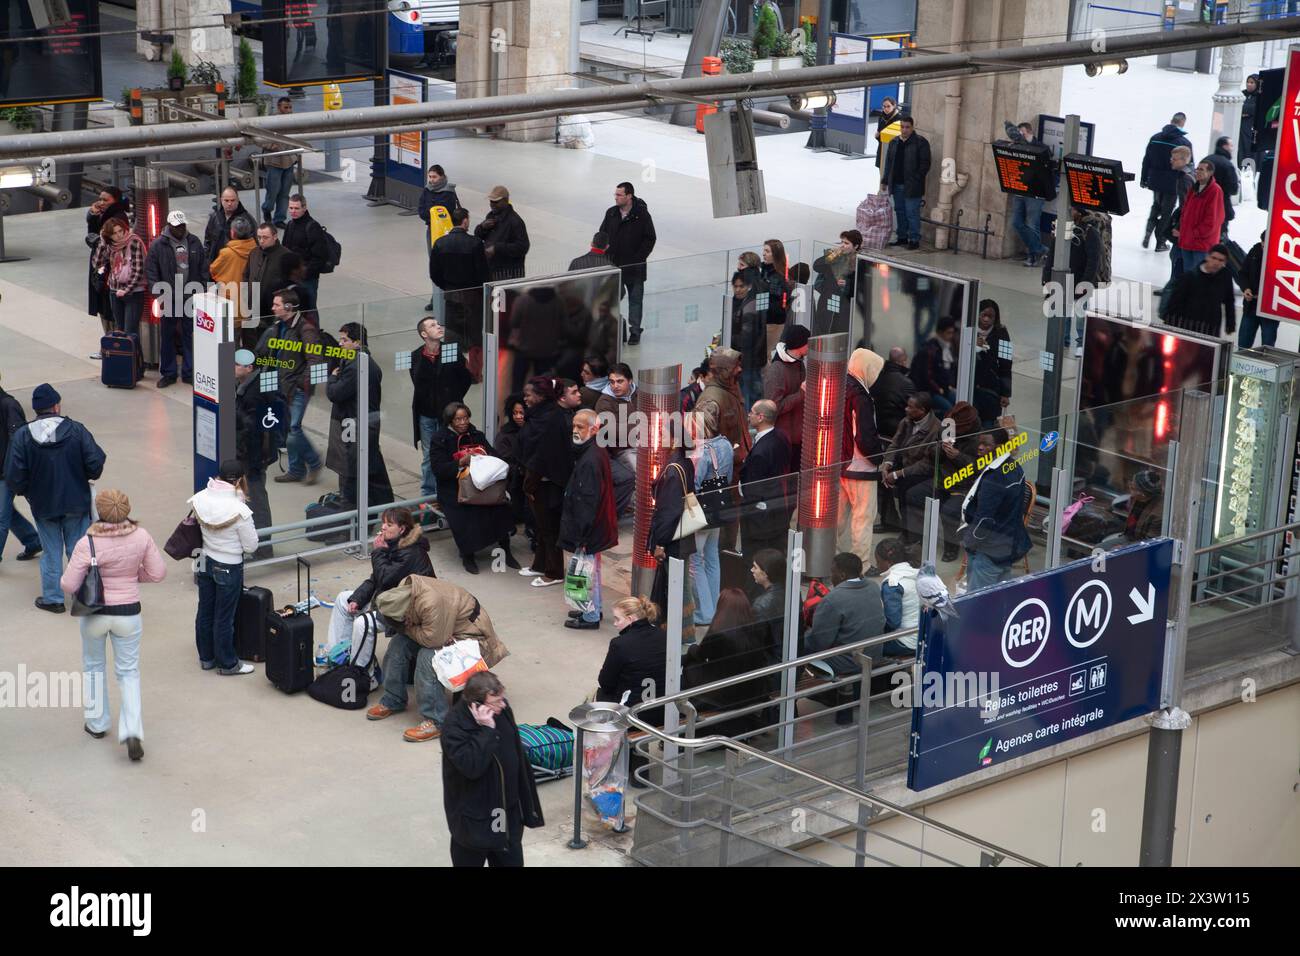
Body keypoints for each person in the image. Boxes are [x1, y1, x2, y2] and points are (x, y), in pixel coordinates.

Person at [60, 489, 166, 761]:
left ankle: (97, 724)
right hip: (129, 614)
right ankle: (132, 730)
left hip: (95, 614)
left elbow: (69, 584)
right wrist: (132, 576)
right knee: (129, 672)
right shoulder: (141, 536)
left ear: (99, 511)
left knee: (94, 667)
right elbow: (158, 573)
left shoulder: (88, 542)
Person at [371, 574, 509, 744]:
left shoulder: (431, 602)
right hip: (443, 630)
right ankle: (393, 699)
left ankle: (435, 720)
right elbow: (430, 634)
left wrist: (408, 628)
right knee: (398, 645)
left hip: (471, 636)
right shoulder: (404, 591)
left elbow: (432, 641)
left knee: (427, 658)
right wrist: (409, 628)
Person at [6, 385, 106, 613]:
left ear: (36, 409)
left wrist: (28, 492)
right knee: (77, 549)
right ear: (56, 405)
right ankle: (84, 597)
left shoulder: (23, 436)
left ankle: (53, 598)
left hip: (43, 505)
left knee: (51, 551)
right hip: (76, 502)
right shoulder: (76, 430)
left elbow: (14, 475)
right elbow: (95, 464)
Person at [441, 671, 544, 866]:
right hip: (475, 820)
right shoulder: (454, 727)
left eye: (502, 699)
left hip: (507, 813)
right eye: (496, 702)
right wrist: (486, 730)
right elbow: (471, 767)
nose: (503, 705)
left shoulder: (502, 711)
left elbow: (517, 754)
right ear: (477, 705)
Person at [331, 506, 433, 689]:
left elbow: (385, 577)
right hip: (391, 601)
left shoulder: (411, 552)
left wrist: (377, 552)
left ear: (402, 529)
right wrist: (357, 598)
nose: (383, 527)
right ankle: (339, 656)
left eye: (389, 524)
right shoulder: (394, 545)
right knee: (343, 599)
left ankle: (362, 675)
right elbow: (376, 578)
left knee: (363, 623)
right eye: (383, 523)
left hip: (408, 612)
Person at [429, 402, 518, 574]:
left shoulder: (476, 435)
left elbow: (494, 455)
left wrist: (483, 456)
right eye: (458, 419)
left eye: (465, 418)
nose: (463, 423)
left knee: (499, 508)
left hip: (481, 484)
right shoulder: (440, 439)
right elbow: (439, 469)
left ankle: (506, 550)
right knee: (464, 516)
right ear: (450, 421)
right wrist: (460, 462)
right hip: (453, 488)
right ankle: (468, 555)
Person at [190, 459, 259, 675]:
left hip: (204, 560)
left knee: (205, 610)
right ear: (240, 480)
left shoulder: (200, 498)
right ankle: (228, 663)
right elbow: (251, 545)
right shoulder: (240, 510)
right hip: (229, 566)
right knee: (224, 617)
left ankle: (206, 658)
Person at [803, 552, 885, 723]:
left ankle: (828, 693)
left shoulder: (833, 599)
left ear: (841, 574)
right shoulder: (873, 587)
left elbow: (819, 642)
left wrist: (803, 636)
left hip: (849, 660)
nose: (830, 576)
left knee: (797, 651)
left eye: (832, 572)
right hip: (874, 652)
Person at [681, 587, 774, 737]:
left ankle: (685, 711)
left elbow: (700, 654)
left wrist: (691, 649)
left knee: (690, 667)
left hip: (726, 691)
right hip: (752, 687)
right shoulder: (756, 628)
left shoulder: (719, 632)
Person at [256, 288, 323, 485]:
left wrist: (302, 384)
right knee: (285, 428)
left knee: (294, 428)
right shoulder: (279, 325)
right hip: (279, 383)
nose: (272, 308)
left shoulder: (306, 330)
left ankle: (314, 461)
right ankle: (296, 469)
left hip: (295, 387)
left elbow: (315, 360)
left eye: (276, 304)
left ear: (288, 307)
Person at [560, 409, 618, 629]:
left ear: (594, 429)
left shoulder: (591, 457)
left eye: (580, 427)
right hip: (595, 526)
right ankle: (592, 610)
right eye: (574, 426)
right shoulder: (594, 451)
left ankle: (590, 615)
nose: (575, 431)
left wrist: (582, 535)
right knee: (589, 570)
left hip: (590, 528)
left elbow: (588, 500)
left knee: (586, 570)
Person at [326, 323, 394, 507]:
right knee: (371, 464)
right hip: (361, 422)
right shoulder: (360, 362)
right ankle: (384, 503)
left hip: (354, 424)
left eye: (344, 340)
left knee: (351, 471)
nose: (340, 343)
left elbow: (335, 394)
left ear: (357, 343)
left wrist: (332, 378)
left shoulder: (356, 367)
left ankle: (354, 510)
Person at [903, 400, 980, 562]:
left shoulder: (978, 440)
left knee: (950, 511)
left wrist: (958, 456)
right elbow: (930, 453)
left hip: (964, 486)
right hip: (942, 480)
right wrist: (942, 449)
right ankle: (915, 540)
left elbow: (980, 467)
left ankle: (951, 547)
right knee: (913, 495)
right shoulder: (947, 428)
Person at [144, 209, 209, 388]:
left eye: (182, 225)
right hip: (169, 297)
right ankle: (169, 373)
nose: (180, 229)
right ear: (169, 226)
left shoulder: (194, 241)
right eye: (176, 226)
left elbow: (204, 267)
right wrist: (159, 295)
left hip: (190, 295)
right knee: (168, 336)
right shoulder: (159, 245)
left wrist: (202, 289)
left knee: (190, 335)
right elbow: (151, 271)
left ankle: (189, 372)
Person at [961, 427, 1031, 592]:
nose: (980, 447)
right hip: (1007, 545)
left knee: (976, 602)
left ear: (1000, 447)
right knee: (999, 600)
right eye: (980, 443)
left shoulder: (994, 479)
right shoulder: (1015, 467)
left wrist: (970, 542)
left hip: (989, 551)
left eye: (987, 445)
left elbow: (984, 520)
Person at [410, 317, 472, 501]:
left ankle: (449, 491)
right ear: (424, 334)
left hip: (448, 414)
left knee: (450, 451)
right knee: (429, 456)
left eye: (438, 324)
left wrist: (453, 399)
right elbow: (417, 382)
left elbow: (465, 378)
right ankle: (429, 495)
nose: (439, 327)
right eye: (433, 326)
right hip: (426, 414)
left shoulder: (451, 350)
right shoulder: (415, 356)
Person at [519, 377, 571, 587]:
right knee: (542, 527)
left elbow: (540, 457)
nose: (525, 399)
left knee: (549, 529)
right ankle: (540, 565)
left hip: (546, 482)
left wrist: (529, 485)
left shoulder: (548, 419)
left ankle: (554, 572)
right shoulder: (544, 415)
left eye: (528, 395)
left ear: (540, 396)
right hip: (541, 481)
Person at [687, 404, 734, 627]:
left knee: (695, 561)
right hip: (718, 507)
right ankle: (714, 607)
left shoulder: (699, 451)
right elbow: (729, 476)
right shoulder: (725, 444)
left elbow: (693, 485)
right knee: (712, 557)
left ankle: (705, 612)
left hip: (700, 511)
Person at [838, 348, 884, 568]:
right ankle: (861, 564)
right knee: (863, 518)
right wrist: (879, 457)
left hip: (839, 464)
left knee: (835, 518)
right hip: (861, 468)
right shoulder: (861, 397)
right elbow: (864, 437)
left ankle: (829, 558)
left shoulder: (839, 387)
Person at [599, 182, 657, 345]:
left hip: (634, 268)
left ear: (629, 196)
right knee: (610, 299)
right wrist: (604, 255)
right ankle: (610, 328)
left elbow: (650, 238)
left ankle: (635, 331)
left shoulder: (642, 215)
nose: (616, 198)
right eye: (615, 195)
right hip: (614, 266)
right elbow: (602, 234)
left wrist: (638, 258)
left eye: (619, 195)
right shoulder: (611, 213)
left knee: (635, 300)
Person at [1041, 206, 1102, 353]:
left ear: (1079, 212)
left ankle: (1081, 343)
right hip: (1063, 279)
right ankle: (1063, 340)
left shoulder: (1090, 232)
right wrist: (1047, 278)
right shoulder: (1062, 229)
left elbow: (1093, 261)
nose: (1069, 212)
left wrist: (1086, 282)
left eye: (1072, 209)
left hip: (1081, 280)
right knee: (1065, 313)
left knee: (1080, 314)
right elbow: (1052, 255)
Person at [738, 399, 792, 565]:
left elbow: (753, 489)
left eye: (752, 412)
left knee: (756, 560)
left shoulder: (761, 452)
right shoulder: (781, 437)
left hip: (760, 519)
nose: (749, 415)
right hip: (777, 510)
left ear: (761, 417)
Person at [598, 596, 668, 724]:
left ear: (630, 619)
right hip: (665, 709)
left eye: (617, 619)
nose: (615, 624)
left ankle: (615, 742)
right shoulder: (664, 635)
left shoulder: (620, 644)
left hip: (634, 714)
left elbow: (605, 683)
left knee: (599, 694)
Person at [880, 393, 940, 540]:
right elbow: (895, 443)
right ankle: (891, 521)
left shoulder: (936, 429)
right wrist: (887, 464)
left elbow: (927, 464)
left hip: (922, 473)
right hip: (904, 465)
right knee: (880, 479)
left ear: (922, 410)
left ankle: (911, 535)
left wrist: (898, 474)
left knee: (908, 491)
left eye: (910, 407)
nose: (906, 409)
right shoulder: (907, 421)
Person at [430, 207, 491, 350]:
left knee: (452, 333)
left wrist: (447, 286)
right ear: (465, 221)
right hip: (472, 295)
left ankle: (452, 365)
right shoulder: (475, 243)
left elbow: (434, 273)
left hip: (451, 294)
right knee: (474, 335)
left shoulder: (440, 243)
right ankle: (475, 368)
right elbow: (483, 273)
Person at [233, 350, 275, 553]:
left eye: (237, 364)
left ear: (249, 368)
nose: (233, 368)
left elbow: (250, 430)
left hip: (253, 458)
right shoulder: (248, 385)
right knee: (253, 499)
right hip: (253, 455)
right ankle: (259, 544)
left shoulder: (253, 392)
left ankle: (264, 547)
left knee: (256, 501)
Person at [0, 376, 41, 562]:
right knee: (6, 510)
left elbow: (19, 440)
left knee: (1, 517)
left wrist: (14, 471)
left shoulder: (9, 405)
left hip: (6, 472)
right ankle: (32, 540)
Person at [86, 186, 129, 351]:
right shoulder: (103, 215)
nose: (101, 202)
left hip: (109, 271)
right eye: (100, 199)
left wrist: (96, 241)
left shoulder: (117, 218)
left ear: (115, 201)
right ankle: (109, 344)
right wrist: (92, 215)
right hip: (103, 269)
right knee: (105, 308)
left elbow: (110, 244)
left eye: (106, 200)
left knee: (109, 309)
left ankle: (112, 346)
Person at [1140, 113, 1192, 251]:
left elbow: (1146, 160)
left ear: (1171, 121)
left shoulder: (1155, 138)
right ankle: (1160, 242)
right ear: (1183, 123)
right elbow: (1189, 166)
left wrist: (1144, 178)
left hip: (1155, 180)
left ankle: (1147, 234)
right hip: (1173, 183)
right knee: (1166, 213)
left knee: (1156, 206)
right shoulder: (1184, 143)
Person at [90, 216, 147, 339]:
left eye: (120, 231)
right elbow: (97, 263)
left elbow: (138, 270)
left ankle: (134, 358)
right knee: (120, 329)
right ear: (109, 236)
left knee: (130, 331)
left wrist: (126, 290)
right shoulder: (110, 245)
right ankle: (123, 358)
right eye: (114, 233)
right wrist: (102, 243)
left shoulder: (133, 241)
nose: (119, 235)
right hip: (114, 290)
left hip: (133, 292)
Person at [593, 362, 638, 515]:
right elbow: (612, 431)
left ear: (630, 381)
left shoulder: (638, 394)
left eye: (620, 381)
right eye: (611, 382)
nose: (615, 386)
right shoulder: (604, 402)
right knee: (641, 473)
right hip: (622, 449)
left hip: (645, 443)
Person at [1164, 244, 1235, 338]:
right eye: (1214, 258)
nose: (1216, 262)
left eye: (1220, 260)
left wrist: (1230, 323)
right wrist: (1170, 323)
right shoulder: (1191, 277)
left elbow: (1229, 300)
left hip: (1211, 327)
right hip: (1189, 325)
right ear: (1207, 257)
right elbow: (1176, 301)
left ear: (1224, 262)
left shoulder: (1225, 276)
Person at [761, 322, 806, 471]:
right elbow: (774, 407)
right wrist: (801, 394)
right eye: (808, 343)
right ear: (799, 345)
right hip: (783, 442)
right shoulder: (776, 371)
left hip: (798, 440)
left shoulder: (799, 364)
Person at [882, 115, 931, 250]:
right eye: (902, 127)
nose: (904, 130)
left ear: (912, 127)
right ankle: (902, 237)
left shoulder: (920, 143)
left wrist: (916, 179)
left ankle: (914, 239)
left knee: (912, 213)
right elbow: (889, 163)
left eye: (907, 127)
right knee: (900, 211)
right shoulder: (894, 142)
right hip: (897, 184)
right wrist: (885, 180)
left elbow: (925, 164)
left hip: (912, 186)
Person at [698, 347, 751, 469]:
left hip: (736, 467)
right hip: (722, 472)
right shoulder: (709, 400)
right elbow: (698, 447)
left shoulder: (733, 388)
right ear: (724, 371)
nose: (740, 369)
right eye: (735, 366)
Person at [209, 215, 257, 348]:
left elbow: (213, 270)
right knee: (250, 340)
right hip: (251, 301)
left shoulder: (226, 253)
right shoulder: (256, 251)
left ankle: (234, 367)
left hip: (232, 303)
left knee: (232, 341)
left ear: (232, 233)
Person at [495, 394, 534, 550]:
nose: (518, 416)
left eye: (521, 413)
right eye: (515, 413)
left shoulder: (533, 430)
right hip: (514, 480)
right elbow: (503, 460)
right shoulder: (505, 435)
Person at [1173, 161, 1225, 278]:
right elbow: (1185, 211)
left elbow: (1213, 220)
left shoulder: (1215, 191)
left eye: (1202, 169)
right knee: (1189, 275)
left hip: (1201, 244)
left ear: (1210, 173)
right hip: (1187, 241)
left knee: (1199, 277)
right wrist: (1182, 230)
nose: (1198, 171)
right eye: (1197, 169)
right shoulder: (1194, 188)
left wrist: (1194, 233)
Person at [1009, 121, 1048, 266]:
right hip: (1020, 189)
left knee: (1032, 224)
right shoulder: (1016, 147)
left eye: (1022, 133)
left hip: (1035, 192)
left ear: (1029, 132)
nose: (1020, 137)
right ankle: (1040, 249)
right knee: (1016, 223)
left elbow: (1045, 158)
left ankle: (1033, 256)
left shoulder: (1041, 147)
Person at [874, 537, 919, 658]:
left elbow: (892, 622)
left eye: (878, 561)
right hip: (921, 637)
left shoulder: (892, 584)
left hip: (904, 643)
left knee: (863, 646)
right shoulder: (916, 573)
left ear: (888, 562)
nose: (877, 566)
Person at [245, 222, 291, 341]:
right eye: (259, 237)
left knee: (269, 343)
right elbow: (246, 275)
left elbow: (291, 285)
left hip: (273, 311)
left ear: (275, 237)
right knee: (251, 342)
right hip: (252, 308)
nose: (261, 241)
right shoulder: (254, 253)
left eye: (265, 237)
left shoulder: (286, 256)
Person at [811, 230, 861, 336]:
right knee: (822, 330)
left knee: (836, 333)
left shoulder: (858, 263)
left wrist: (847, 284)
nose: (842, 245)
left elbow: (860, 288)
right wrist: (833, 255)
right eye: (842, 242)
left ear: (855, 246)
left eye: (846, 243)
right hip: (827, 301)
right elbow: (817, 266)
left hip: (843, 306)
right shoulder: (834, 257)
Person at [475, 185, 530, 281]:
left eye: (496, 202)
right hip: (491, 272)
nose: (492, 204)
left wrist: (497, 248)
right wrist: (482, 227)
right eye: (491, 201)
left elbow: (523, 247)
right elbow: (478, 235)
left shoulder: (515, 221)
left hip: (508, 275)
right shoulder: (491, 215)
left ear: (505, 201)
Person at [972, 299, 1013, 427]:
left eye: (990, 316)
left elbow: (1006, 364)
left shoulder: (1002, 333)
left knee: (988, 424)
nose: (986, 319)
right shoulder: (969, 330)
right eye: (983, 315)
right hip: (971, 386)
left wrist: (1005, 393)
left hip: (991, 388)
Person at [282, 194, 330, 299]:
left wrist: (305, 273)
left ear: (304, 208)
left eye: (296, 208)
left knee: (310, 310)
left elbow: (320, 257)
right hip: (291, 277)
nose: (293, 211)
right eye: (291, 208)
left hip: (308, 279)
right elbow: (284, 249)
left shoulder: (313, 227)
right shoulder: (290, 225)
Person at [730, 271, 766, 408]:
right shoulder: (738, 302)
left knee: (748, 395)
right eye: (735, 286)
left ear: (749, 286)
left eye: (741, 286)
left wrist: (730, 339)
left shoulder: (749, 306)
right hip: (749, 359)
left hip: (748, 360)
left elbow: (746, 338)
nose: (738, 290)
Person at [260, 97, 297, 227]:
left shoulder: (293, 120)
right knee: (273, 190)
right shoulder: (271, 120)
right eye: (285, 107)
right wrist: (271, 146)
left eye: (290, 107)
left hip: (289, 160)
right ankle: (267, 208)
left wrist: (295, 154)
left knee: (285, 192)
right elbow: (259, 137)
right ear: (279, 107)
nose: (288, 110)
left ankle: (279, 218)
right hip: (274, 161)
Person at [1236, 232, 1275, 348]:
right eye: (1264, 246)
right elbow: (1242, 273)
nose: (1265, 250)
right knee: (1243, 343)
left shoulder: (1282, 256)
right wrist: (1246, 288)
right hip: (1251, 305)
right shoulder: (1255, 251)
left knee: (1268, 347)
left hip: (1270, 309)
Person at [909, 318, 956, 412]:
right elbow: (926, 376)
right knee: (949, 409)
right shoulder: (930, 350)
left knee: (959, 404)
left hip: (943, 388)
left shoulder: (946, 348)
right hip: (929, 391)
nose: (951, 336)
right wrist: (939, 389)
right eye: (948, 333)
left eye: (952, 333)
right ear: (940, 332)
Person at [872, 346, 915, 440]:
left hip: (877, 425)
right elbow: (913, 410)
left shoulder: (877, 378)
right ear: (903, 361)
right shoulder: (906, 383)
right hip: (899, 429)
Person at [749, 548, 786, 657]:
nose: (752, 570)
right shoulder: (792, 593)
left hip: (772, 664)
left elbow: (756, 643)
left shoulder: (761, 605)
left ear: (765, 574)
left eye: (755, 567)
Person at [1201, 137, 1238, 238]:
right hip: (1221, 205)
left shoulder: (1206, 160)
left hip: (1202, 203)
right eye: (1231, 145)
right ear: (1225, 146)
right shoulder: (1227, 165)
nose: (1232, 148)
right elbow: (1233, 189)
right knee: (1219, 235)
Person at [204, 186, 251, 262]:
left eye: (232, 200)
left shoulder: (247, 220)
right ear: (221, 200)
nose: (229, 203)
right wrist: (206, 261)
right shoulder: (215, 217)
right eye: (226, 200)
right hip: (216, 263)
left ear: (238, 201)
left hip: (237, 263)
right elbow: (207, 241)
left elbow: (252, 244)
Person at [759, 239, 790, 325]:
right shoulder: (761, 271)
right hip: (759, 320)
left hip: (772, 323)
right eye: (764, 250)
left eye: (767, 251)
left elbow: (779, 304)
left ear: (775, 255)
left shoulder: (781, 276)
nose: (763, 254)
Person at [873, 95, 903, 170]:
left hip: (892, 152)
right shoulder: (881, 117)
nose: (886, 109)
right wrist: (877, 136)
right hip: (882, 149)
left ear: (894, 106)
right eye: (884, 106)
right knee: (881, 172)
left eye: (888, 106)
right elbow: (880, 133)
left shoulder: (899, 119)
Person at [1240, 74, 1260, 170]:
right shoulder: (1241, 94)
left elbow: (1251, 109)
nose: (1249, 84)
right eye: (1247, 82)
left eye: (1252, 82)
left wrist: (1246, 111)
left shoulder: (1260, 97)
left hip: (1251, 132)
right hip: (1241, 130)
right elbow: (1239, 109)